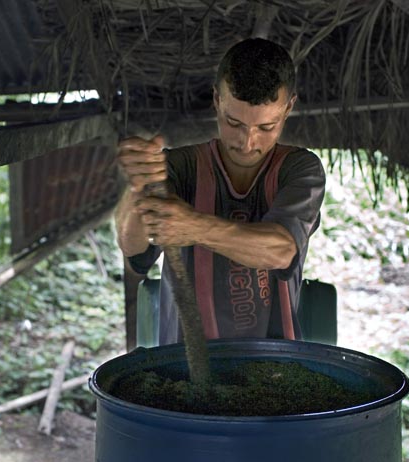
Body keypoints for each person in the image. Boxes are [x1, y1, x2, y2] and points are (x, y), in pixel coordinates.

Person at [114, 37, 326, 345]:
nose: (247, 142)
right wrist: (138, 189)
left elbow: (280, 250)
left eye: (266, 127)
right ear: (217, 100)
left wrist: (194, 226)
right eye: (233, 122)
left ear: (289, 107)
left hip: (276, 364)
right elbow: (133, 248)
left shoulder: (300, 169)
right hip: (182, 363)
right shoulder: (179, 166)